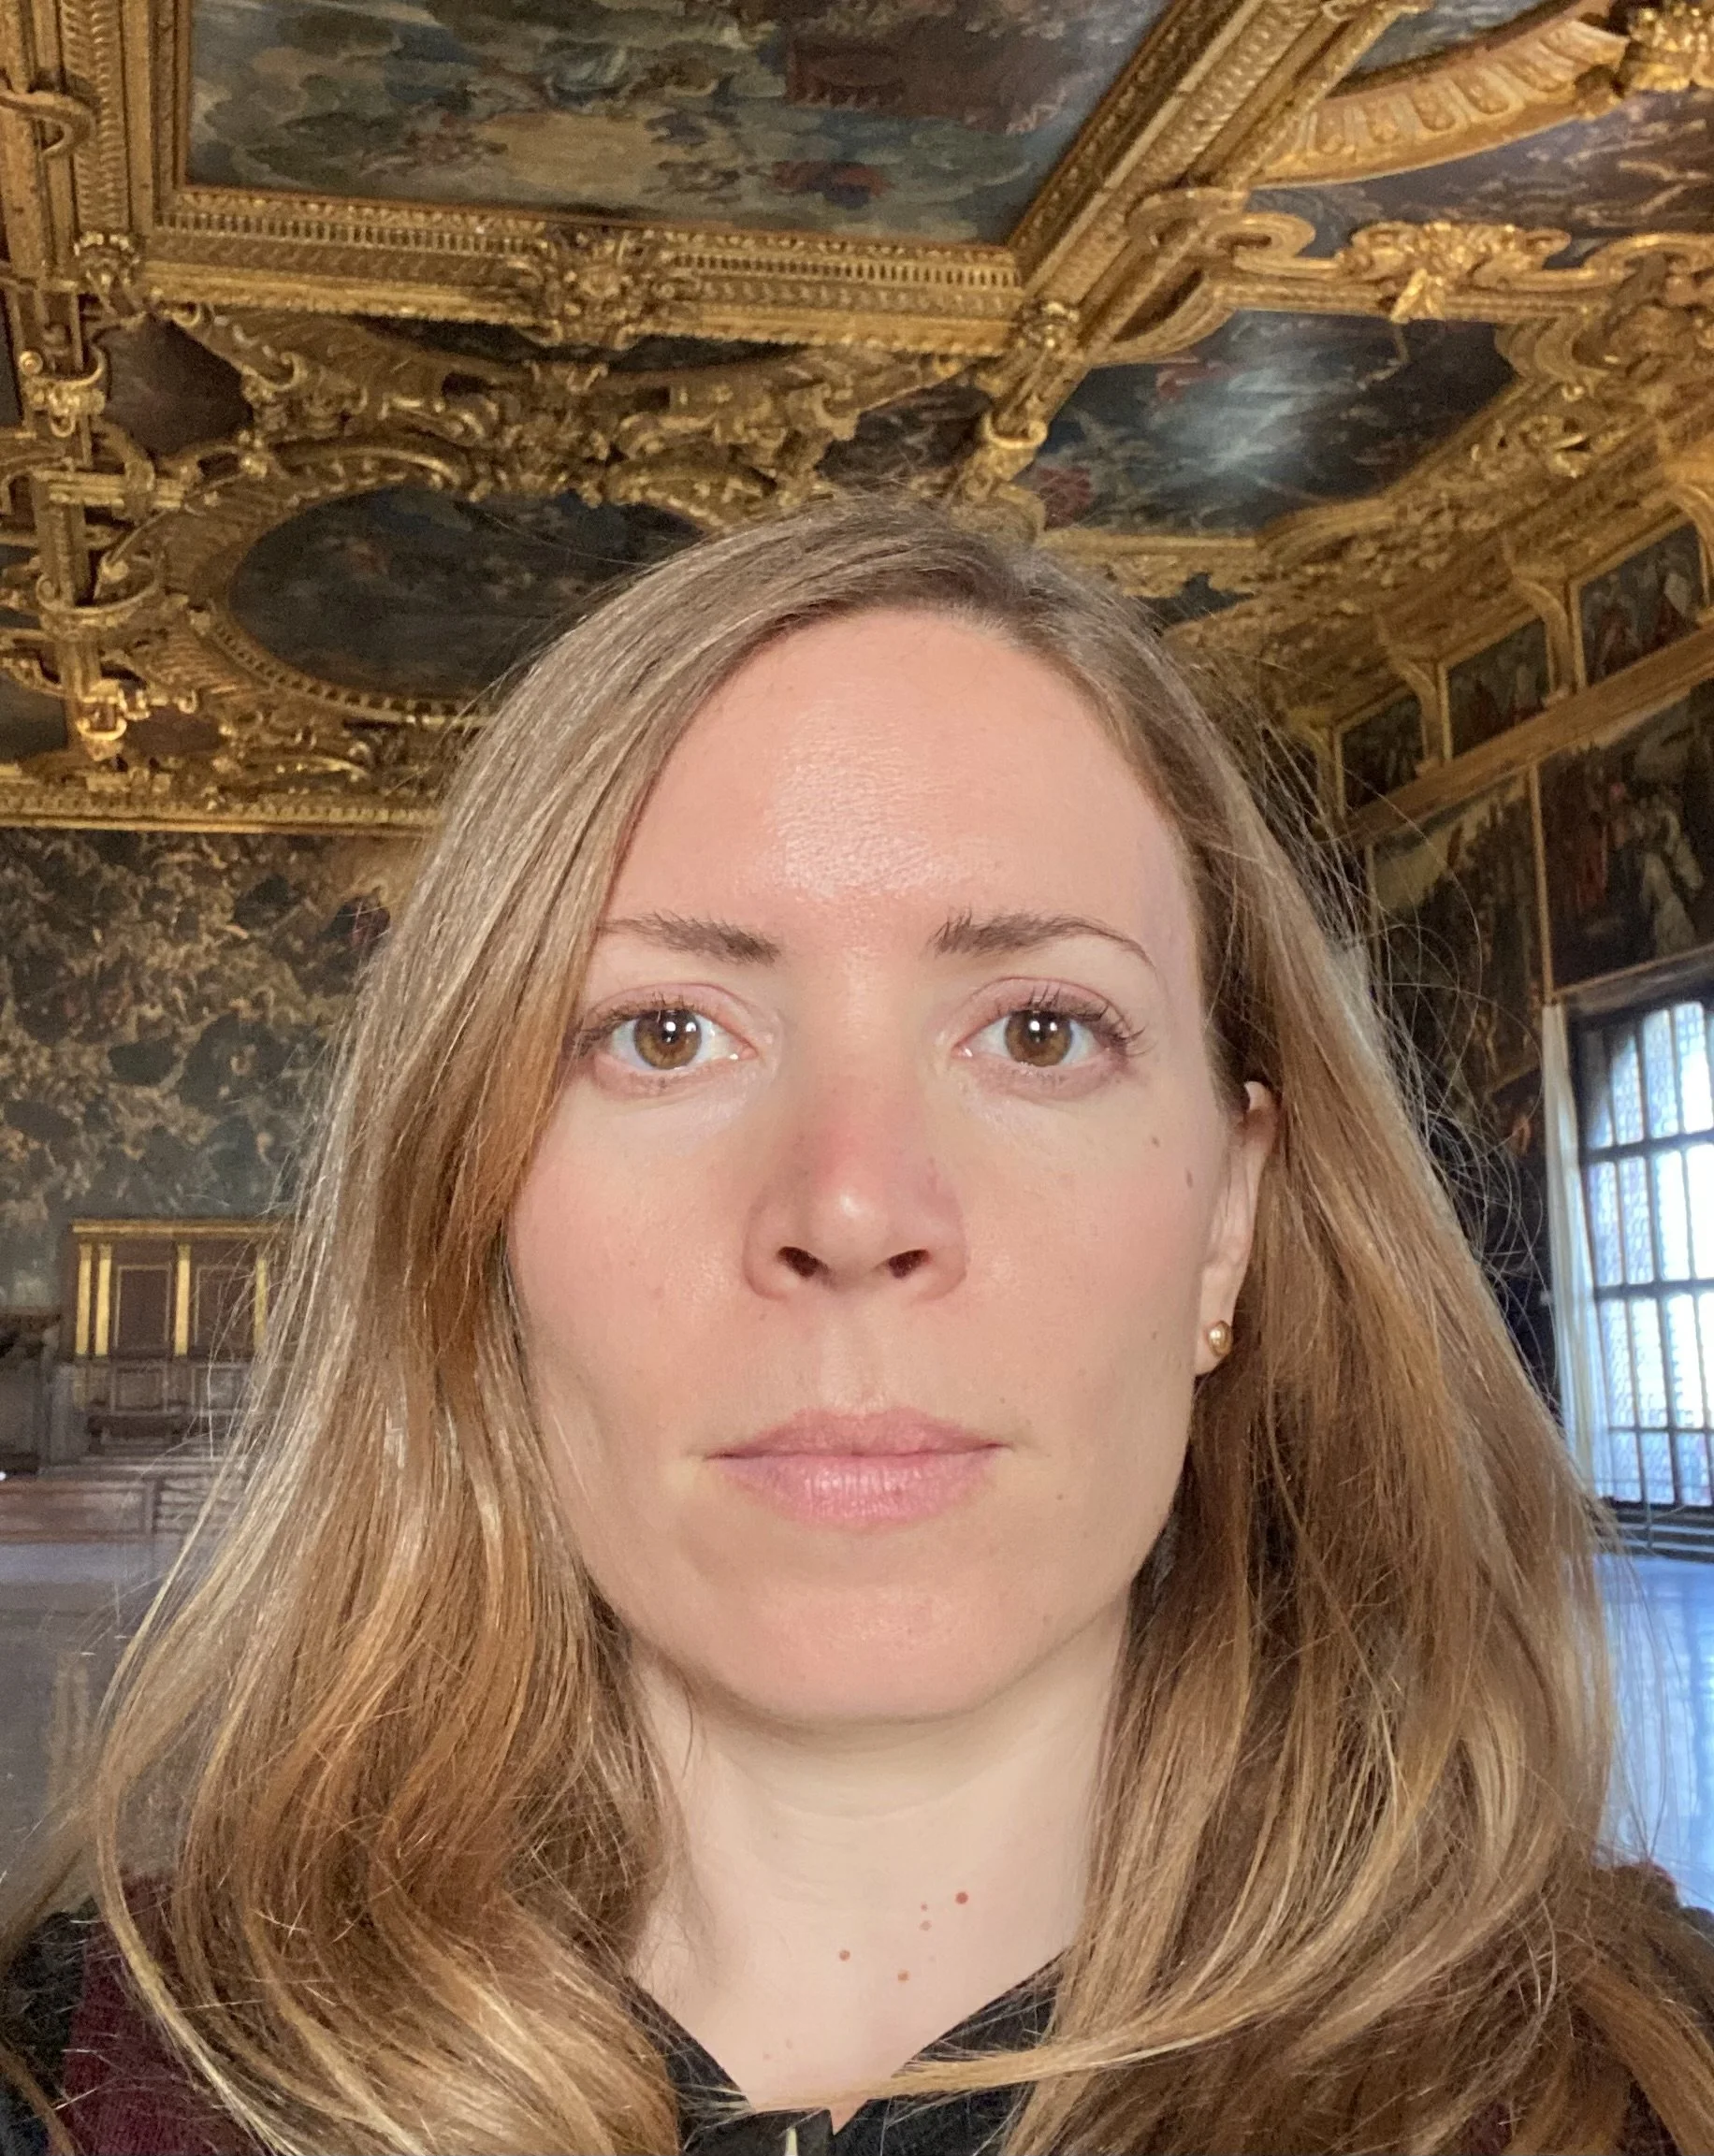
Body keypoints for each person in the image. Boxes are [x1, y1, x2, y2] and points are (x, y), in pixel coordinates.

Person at [5, 495, 1714, 2156]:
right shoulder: (70, 2090)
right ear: (474, 1215)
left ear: (1231, 1218)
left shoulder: (1650, 2086)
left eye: (1041, 1032)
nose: (850, 1204)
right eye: (663, 1034)